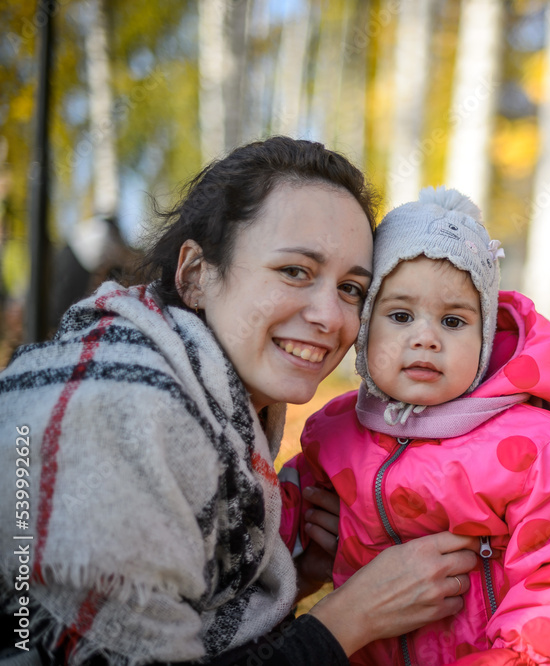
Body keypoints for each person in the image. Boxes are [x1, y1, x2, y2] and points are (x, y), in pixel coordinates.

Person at [0, 137, 478, 666]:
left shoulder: (214, 405)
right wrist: (351, 616)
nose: (331, 316)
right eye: (295, 271)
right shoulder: (119, 418)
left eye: (351, 288)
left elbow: (193, 622)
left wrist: (302, 570)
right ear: (196, 275)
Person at [281, 187, 550, 665]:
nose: (426, 338)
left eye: (453, 321)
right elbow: (270, 522)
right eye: (400, 316)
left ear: (485, 337)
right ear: (363, 329)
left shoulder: (540, 448)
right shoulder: (336, 434)